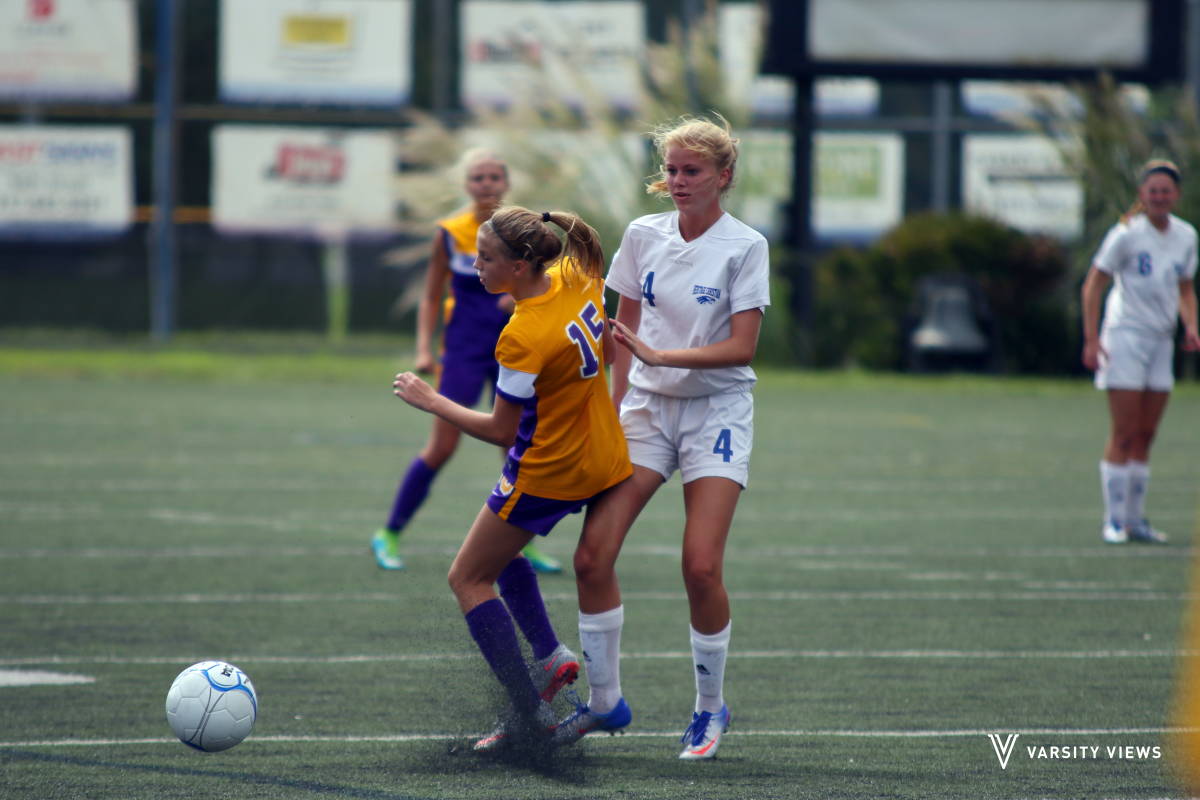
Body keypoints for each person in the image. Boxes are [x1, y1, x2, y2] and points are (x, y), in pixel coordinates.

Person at [552, 116, 770, 760]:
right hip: (646, 411)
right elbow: (622, 336)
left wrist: (663, 355)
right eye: (671, 169)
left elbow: (743, 347)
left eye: (691, 171)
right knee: (591, 557)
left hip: (716, 412)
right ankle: (603, 703)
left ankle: (709, 708)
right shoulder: (643, 234)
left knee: (700, 566)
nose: (677, 180)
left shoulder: (746, 246)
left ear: (723, 176)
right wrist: (613, 411)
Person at [392, 206, 633, 750]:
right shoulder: (579, 274)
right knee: (501, 555)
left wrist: (432, 401)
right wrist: (553, 217)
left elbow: (501, 429)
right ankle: (549, 657)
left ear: (521, 266)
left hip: (551, 469)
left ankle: (532, 713)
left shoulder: (521, 334)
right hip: (604, 454)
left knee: (467, 577)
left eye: (485, 258)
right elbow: (589, 239)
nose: (476, 265)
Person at [372, 150, 562, 573]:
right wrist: (424, 348)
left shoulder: (524, 231)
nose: (487, 184)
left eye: (494, 176)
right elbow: (430, 295)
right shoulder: (450, 233)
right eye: (478, 177)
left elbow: (548, 282)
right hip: (463, 351)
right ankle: (390, 532)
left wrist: (521, 297)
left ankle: (523, 545)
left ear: (506, 182)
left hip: (516, 350)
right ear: (466, 184)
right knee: (442, 447)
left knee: (518, 448)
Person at [1081, 158, 1200, 544]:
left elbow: (1185, 288)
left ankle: (1135, 520)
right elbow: (1093, 284)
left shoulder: (1186, 235)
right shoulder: (1126, 234)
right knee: (1125, 431)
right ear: (1142, 194)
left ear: (1176, 194)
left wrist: (1191, 324)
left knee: (1147, 433)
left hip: (1161, 339)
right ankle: (1114, 520)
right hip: (1126, 336)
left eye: (1166, 191)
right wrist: (1092, 338)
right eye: (1153, 191)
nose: (1159, 197)